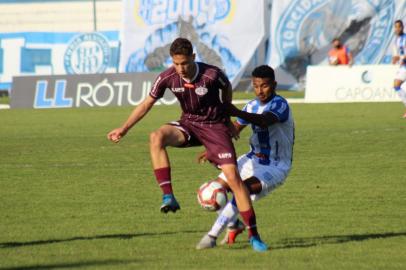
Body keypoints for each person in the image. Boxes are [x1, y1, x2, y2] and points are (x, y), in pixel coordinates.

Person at [107, 37, 268, 252]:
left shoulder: (212, 74)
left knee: (234, 179)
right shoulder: (167, 77)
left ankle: (253, 236)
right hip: (189, 124)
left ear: (193, 57)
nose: (180, 68)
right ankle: (168, 196)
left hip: (214, 129)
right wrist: (124, 128)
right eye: (176, 63)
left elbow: (227, 88)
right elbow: (147, 103)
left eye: (184, 63)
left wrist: (227, 117)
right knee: (156, 136)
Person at [196, 65, 294, 250]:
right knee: (217, 189)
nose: (260, 91)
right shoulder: (252, 105)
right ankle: (234, 225)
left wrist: (237, 111)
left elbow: (264, 120)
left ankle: (213, 236)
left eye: (264, 86)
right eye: (256, 86)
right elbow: (234, 129)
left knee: (243, 190)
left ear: (274, 84)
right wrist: (212, 148)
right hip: (251, 159)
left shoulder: (280, 105)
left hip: (276, 166)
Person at [392, 19, 406, 118]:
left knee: (396, 84)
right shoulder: (397, 39)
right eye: (396, 26)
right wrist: (396, 58)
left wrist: (400, 58)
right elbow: (399, 54)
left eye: (399, 26)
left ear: (403, 27)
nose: (397, 28)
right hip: (403, 66)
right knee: (396, 85)